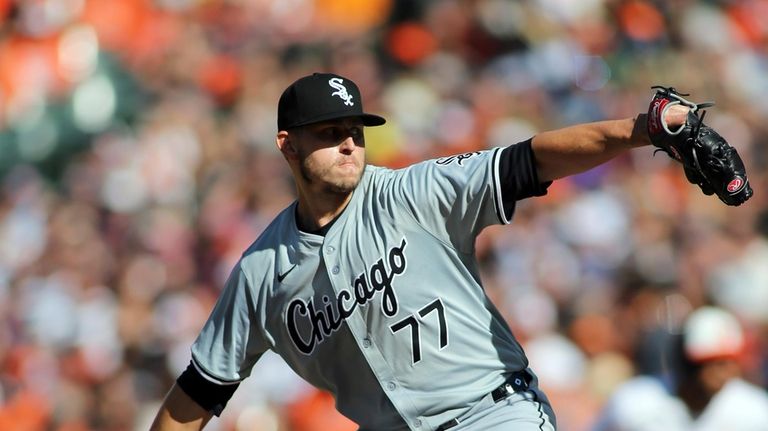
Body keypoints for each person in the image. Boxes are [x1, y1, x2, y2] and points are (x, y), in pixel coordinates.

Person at [150, 72, 691, 431]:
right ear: (287, 144)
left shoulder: (411, 193)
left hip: (493, 414)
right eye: (330, 131)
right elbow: (198, 392)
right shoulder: (260, 272)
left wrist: (643, 129)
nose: (348, 143)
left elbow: (529, 161)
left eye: (355, 131)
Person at [593, 306, 768, 431]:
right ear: (687, 361)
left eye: (730, 362)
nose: (724, 372)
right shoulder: (636, 400)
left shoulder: (754, 410)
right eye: (713, 363)